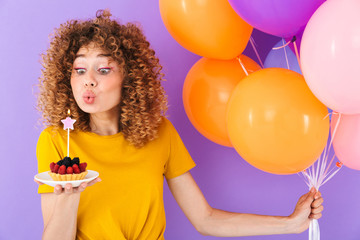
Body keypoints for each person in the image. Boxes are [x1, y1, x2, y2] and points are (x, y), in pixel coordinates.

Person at [34, 9, 324, 240]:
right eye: (79, 69)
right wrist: (69, 195)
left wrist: (290, 224)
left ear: (129, 77)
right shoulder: (57, 141)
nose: (89, 79)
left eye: (104, 68)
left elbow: (205, 219)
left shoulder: (159, 133)